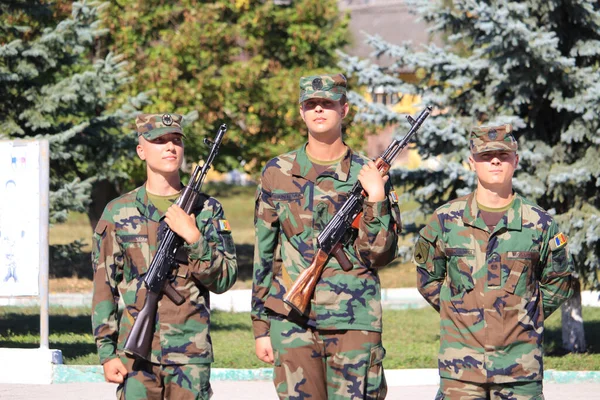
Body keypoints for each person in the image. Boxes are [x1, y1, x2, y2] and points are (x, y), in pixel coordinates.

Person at [251, 73, 402, 399]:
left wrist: (375, 198)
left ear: (344, 109)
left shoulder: (370, 173)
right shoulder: (278, 171)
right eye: (311, 104)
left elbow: (381, 255)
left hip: (354, 320)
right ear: (302, 111)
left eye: (328, 103)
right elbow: (265, 254)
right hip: (293, 322)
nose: (319, 110)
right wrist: (261, 327)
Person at [414, 124, 574, 400]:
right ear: (471, 162)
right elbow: (428, 277)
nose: (495, 161)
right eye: (486, 156)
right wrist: (460, 313)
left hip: (520, 368)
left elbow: (559, 281)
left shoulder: (539, 223)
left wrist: (525, 315)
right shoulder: (445, 220)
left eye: (503, 154)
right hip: (460, 369)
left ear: (516, 160)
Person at [91, 113, 238, 399]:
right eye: (159, 140)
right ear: (141, 150)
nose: (170, 147)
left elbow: (224, 279)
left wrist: (194, 238)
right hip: (135, 355)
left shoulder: (207, 210)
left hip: (190, 356)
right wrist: (107, 353)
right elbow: (103, 287)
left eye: (176, 141)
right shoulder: (118, 212)